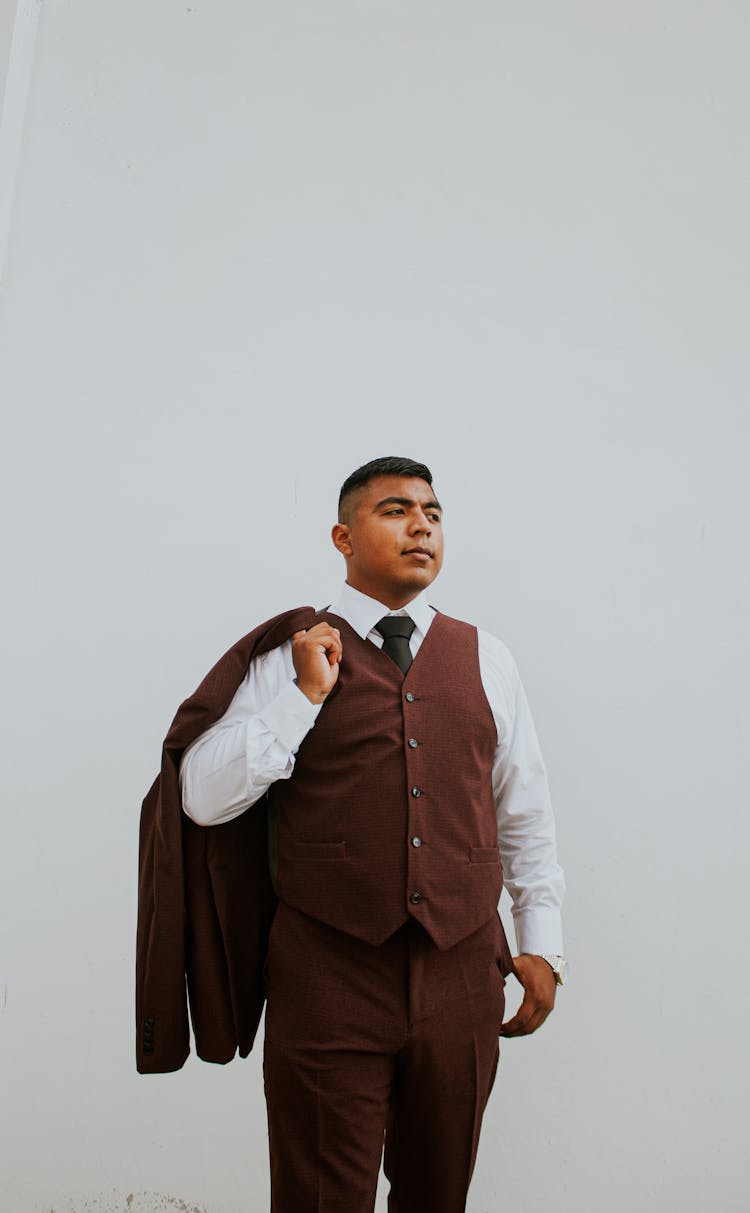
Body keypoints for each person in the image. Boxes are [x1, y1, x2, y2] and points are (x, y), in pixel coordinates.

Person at [139, 455, 565, 1213]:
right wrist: (303, 696)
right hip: (326, 975)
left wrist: (542, 943)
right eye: (397, 510)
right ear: (343, 535)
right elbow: (199, 798)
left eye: (433, 513)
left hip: (462, 970)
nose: (422, 526)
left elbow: (522, 811)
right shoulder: (290, 656)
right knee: (318, 1200)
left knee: (439, 1197)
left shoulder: (488, 658)